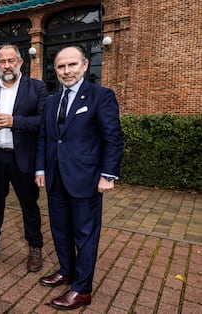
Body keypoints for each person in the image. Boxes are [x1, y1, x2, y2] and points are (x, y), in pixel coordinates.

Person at [35, 45, 124, 310]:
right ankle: (66, 270)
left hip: (86, 179)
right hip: (55, 178)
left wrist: (108, 175)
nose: (66, 71)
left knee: (85, 235)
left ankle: (82, 289)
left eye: (72, 65)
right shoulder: (51, 101)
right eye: (61, 66)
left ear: (85, 65)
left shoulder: (101, 96)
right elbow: (45, 138)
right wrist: (40, 170)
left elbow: (113, 138)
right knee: (60, 229)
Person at [0, 44, 48, 272]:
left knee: (29, 205)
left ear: (20, 63)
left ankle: (35, 247)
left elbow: (43, 122)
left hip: (23, 158)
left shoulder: (37, 88)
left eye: (11, 61)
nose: (6, 66)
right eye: (2, 62)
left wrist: (15, 121)